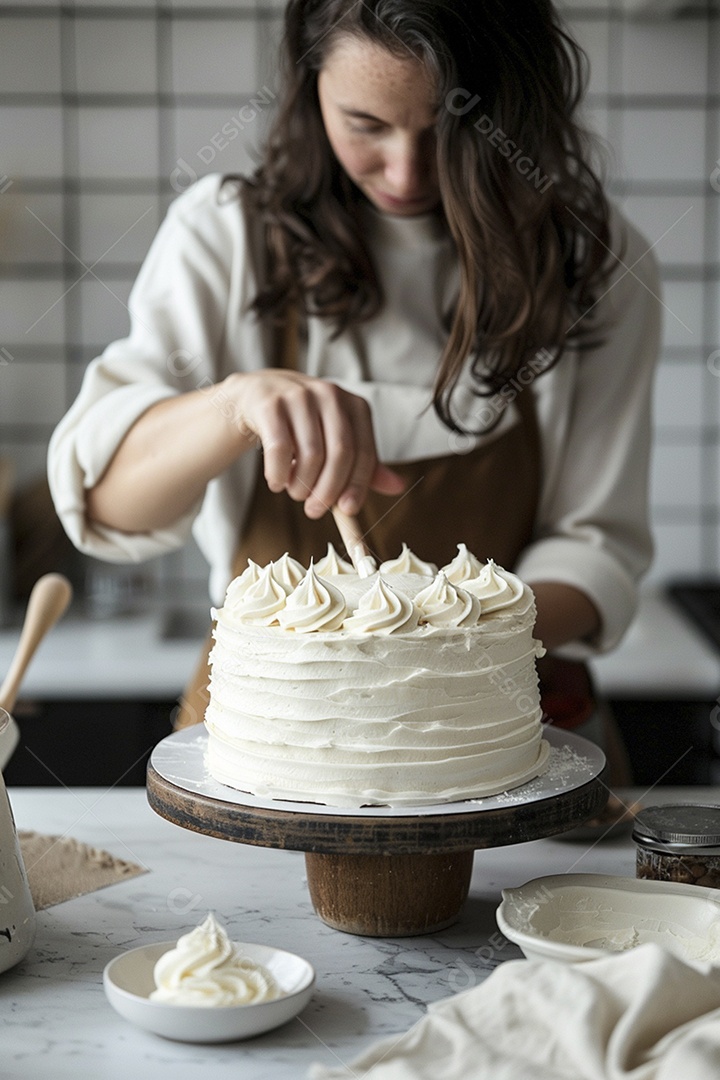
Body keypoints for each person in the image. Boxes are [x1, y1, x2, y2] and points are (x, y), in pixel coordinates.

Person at [48, 0, 661, 767]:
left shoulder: (590, 266)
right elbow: (104, 501)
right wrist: (233, 404)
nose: (405, 170)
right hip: (267, 748)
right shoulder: (227, 237)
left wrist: (429, 642)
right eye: (366, 124)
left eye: (449, 126)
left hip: (500, 741)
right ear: (311, 90)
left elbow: (595, 547)